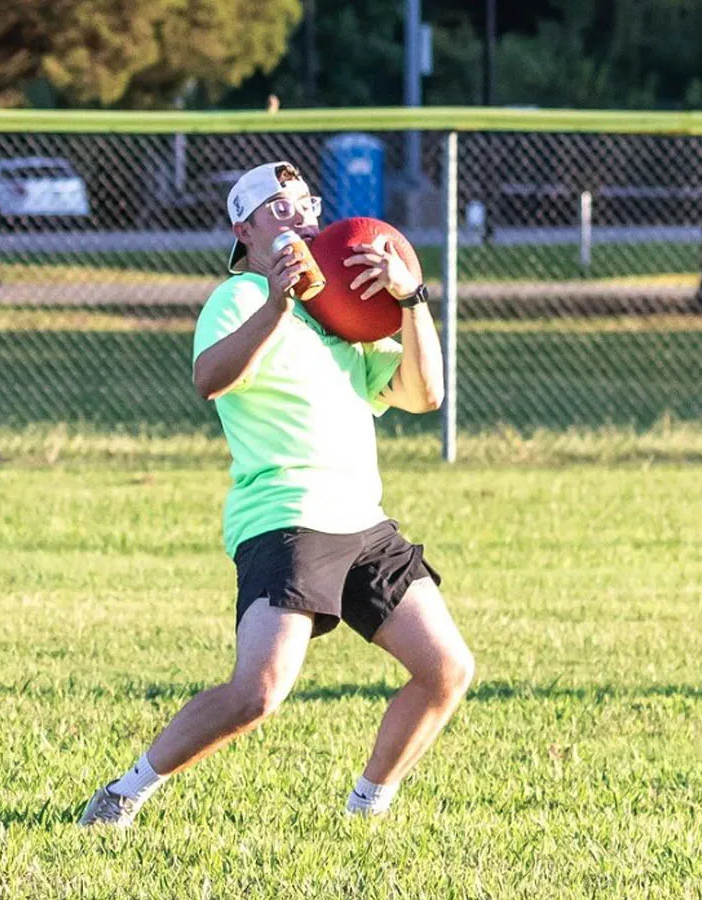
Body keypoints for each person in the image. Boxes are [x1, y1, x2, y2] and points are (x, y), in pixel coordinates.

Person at [79, 161, 474, 828]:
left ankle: (365, 808)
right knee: (257, 693)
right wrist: (276, 302)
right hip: (285, 518)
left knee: (446, 669)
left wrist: (411, 300)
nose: (297, 214)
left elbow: (425, 395)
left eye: (303, 202)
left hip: (362, 523)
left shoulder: (343, 320)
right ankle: (126, 790)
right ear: (246, 228)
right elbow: (210, 379)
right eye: (278, 207)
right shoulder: (237, 299)